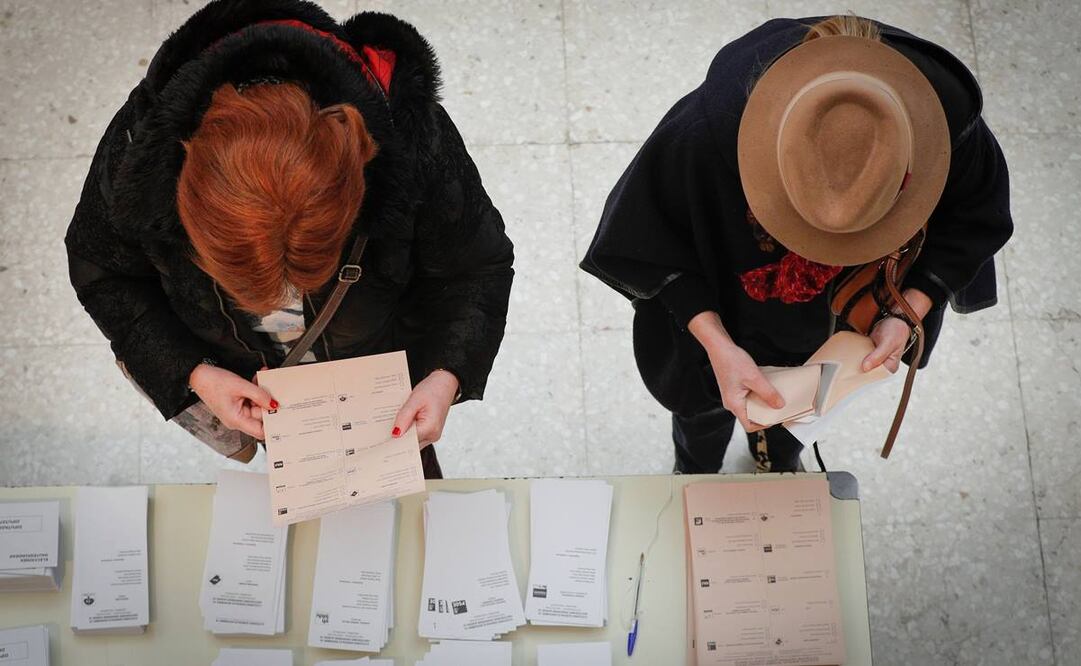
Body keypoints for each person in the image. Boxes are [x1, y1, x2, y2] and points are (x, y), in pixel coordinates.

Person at [65, 0, 514, 477]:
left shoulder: (413, 143)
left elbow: (476, 267)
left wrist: (446, 373)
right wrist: (194, 373)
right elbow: (104, 274)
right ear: (182, 194)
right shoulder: (137, 160)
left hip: (379, 390)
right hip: (242, 369)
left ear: (356, 167)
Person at [580, 15, 1012, 473]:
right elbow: (650, 241)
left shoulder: (946, 129)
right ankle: (694, 466)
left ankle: (779, 458)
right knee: (701, 409)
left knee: (801, 414)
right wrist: (717, 345)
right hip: (728, 304)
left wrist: (908, 310)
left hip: (839, 318)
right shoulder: (704, 135)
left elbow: (973, 221)